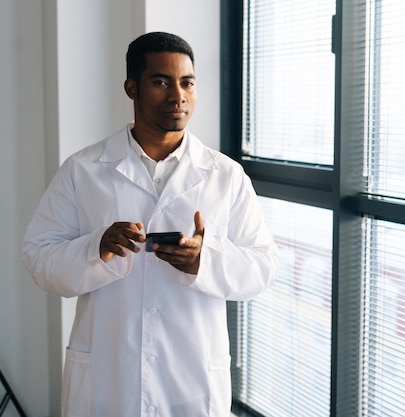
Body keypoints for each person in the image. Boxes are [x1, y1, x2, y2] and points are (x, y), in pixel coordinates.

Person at [21, 31, 279, 417]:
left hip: (190, 385)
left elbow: (263, 268)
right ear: (131, 88)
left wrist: (204, 259)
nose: (178, 96)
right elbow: (39, 259)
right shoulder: (83, 170)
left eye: (187, 82)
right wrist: (97, 248)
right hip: (109, 383)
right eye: (161, 82)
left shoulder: (226, 176)